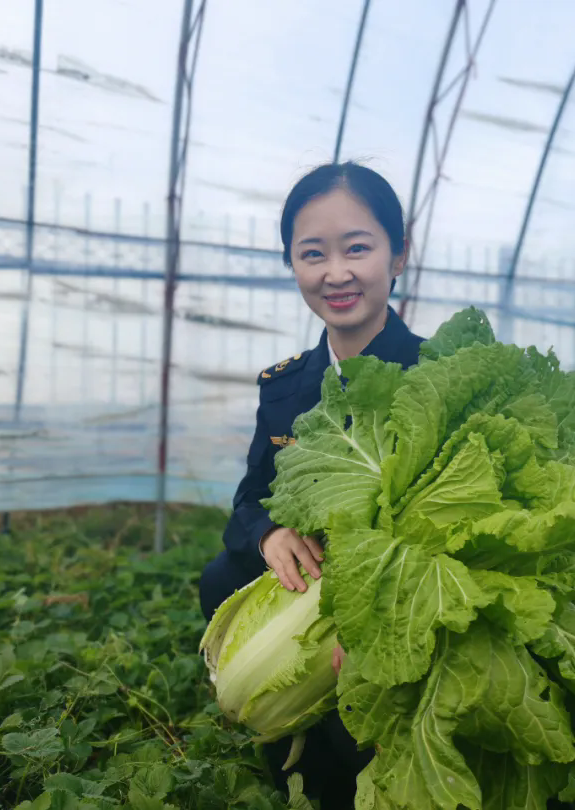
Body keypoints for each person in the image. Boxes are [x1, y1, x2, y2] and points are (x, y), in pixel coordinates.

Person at [198, 161, 426, 808]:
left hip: (400, 590)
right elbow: (250, 498)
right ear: (292, 264)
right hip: (315, 583)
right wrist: (269, 534)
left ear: (398, 255)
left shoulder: (439, 373)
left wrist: (378, 619)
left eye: (357, 248)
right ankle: (294, 751)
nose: (336, 273)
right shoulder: (285, 386)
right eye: (313, 254)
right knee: (221, 576)